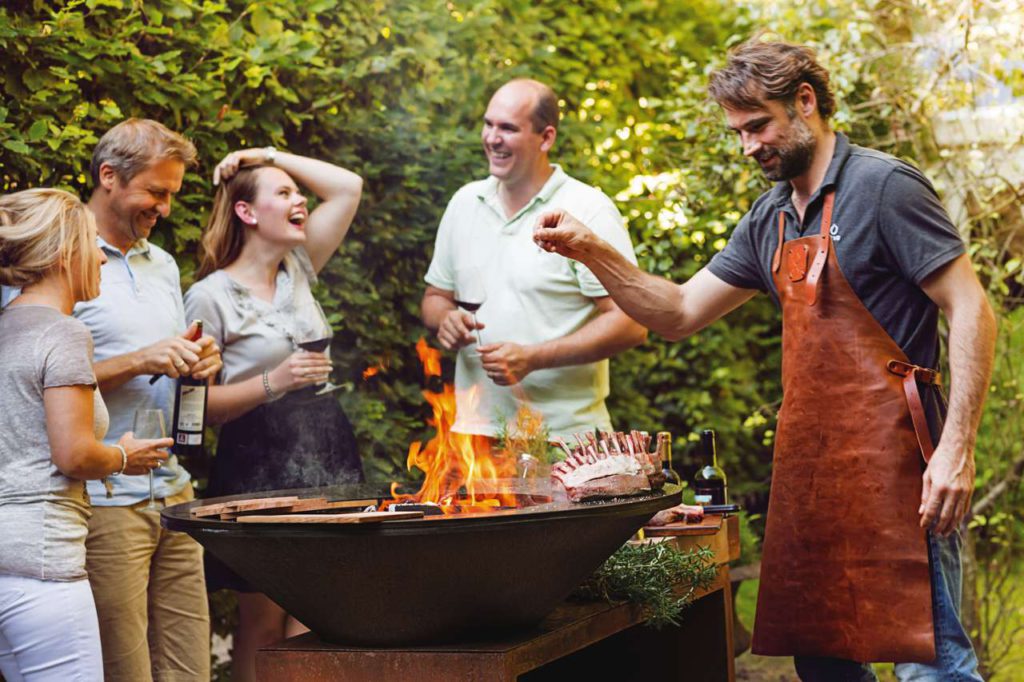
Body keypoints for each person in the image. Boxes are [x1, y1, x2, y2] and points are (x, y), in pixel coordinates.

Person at [534, 40, 995, 681]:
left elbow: (970, 307)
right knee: (824, 664)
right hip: (813, 478)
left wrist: (957, 450)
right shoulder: (770, 217)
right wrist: (592, 252)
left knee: (932, 666)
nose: (749, 146)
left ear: (805, 101)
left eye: (758, 126)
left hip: (903, 475)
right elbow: (678, 312)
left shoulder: (883, 187)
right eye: (738, 132)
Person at [184, 147, 363, 681]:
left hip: (324, 439)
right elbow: (194, 410)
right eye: (282, 192)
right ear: (246, 212)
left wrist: (265, 156)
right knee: (262, 620)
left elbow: (348, 186)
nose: (300, 199)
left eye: (297, 191)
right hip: (256, 454)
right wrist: (273, 381)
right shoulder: (209, 297)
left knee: (320, 616)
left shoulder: (300, 267)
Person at [73, 118, 223, 681]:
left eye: (171, 195)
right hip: (106, 500)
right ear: (108, 176)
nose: (163, 207)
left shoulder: (160, 264)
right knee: (125, 671)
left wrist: (200, 361)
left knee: (191, 670)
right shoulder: (61, 258)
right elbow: (33, 378)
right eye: (155, 192)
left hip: (174, 491)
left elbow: (172, 356)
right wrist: (141, 359)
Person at [0, 188, 171, 681]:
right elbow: (73, 454)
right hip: (45, 566)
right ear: (61, 253)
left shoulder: (8, 327)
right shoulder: (64, 333)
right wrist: (122, 456)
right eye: (92, 241)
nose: (100, 255)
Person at [421, 78, 647, 441]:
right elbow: (435, 298)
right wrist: (445, 319)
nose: (492, 138)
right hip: (473, 438)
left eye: (508, 128)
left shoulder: (587, 210)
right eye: (489, 124)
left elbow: (631, 323)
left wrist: (534, 357)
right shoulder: (465, 203)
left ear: (546, 138)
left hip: (564, 441)